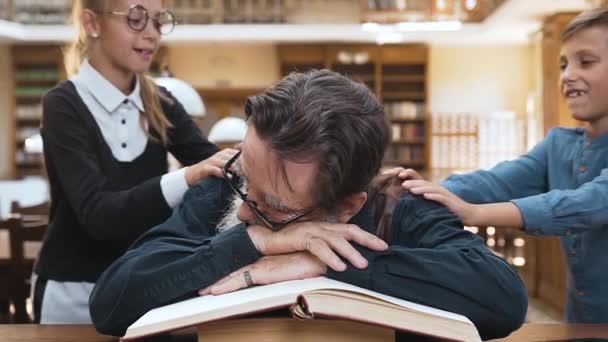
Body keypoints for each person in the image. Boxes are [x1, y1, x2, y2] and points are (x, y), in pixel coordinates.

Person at [89, 70, 527, 340]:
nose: (243, 213)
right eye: (247, 173)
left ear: (349, 206)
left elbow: (502, 299)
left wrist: (324, 265)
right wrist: (252, 245)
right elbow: (111, 303)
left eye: (272, 206)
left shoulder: (402, 204)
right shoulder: (229, 188)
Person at [390, 8, 608, 326]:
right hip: (580, 322)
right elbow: (495, 182)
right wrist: (420, 192)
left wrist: (476, 214)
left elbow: (589, 203)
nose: (567, 75)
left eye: (585, 62)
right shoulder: (559, 144)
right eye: (563, 65)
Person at [34, 0, 236, 324]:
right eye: (137, 19)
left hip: (142, 289)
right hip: (72, 295)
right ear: (92, 23)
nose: (153, 34)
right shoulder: (62, 106)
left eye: (159, 21)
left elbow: (220, 167)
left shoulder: (164, 105)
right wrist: (187, 177)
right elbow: (99, 215)